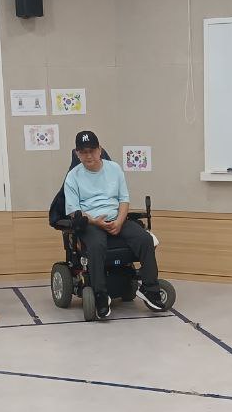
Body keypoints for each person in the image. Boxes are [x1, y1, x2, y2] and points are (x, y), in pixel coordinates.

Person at [63, 130, 167, 320]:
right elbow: (74, 211)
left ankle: (150, 288)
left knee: (145, 239)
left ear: (100, 150)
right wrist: (96, 222)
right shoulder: (73, 177)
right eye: (83, 152)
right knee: (96, 245)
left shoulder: (114, 169)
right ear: (77, 154)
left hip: (117, 218)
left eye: (92, 151)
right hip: (91, 222)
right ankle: (101, 296)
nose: (88, 156)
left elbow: (124, 200)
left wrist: (119, 221)